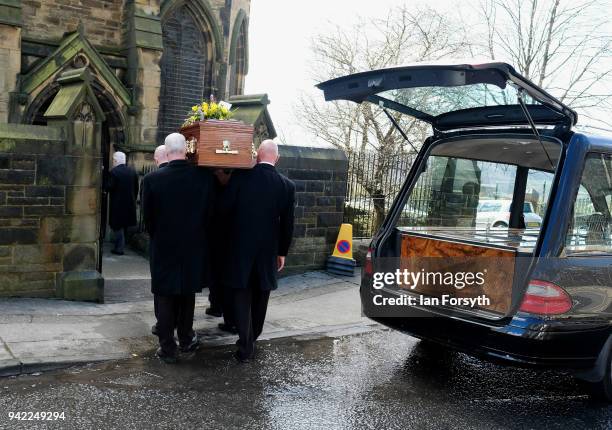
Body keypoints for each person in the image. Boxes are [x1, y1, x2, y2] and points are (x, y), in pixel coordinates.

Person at [142, 133, 215, 363]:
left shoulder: (152, 180)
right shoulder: (204, 177)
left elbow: (148, 220)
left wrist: (160, 237)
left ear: (166, 150)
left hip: (164, 246)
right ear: (186, 150)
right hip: (193, 247)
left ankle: (167, 349)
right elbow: (210, 215)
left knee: (164, 296)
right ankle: (185, 338)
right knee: (187, 295)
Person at [223, 139, 295, 362]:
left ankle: (245, 344)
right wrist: (282, 252)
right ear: (277, 158)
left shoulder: (240, 177)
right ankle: (253, 337)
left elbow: (225, 210)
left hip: (240, 247)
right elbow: (287, 224)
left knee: (242, 293)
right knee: (262, 293)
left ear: (257, 155)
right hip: (268, 250)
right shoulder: (286, 185)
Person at [149, 144, 169, 337]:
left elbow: (148, 218)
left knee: (161, 288)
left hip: (161, 243)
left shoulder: (151, 179)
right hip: (187, 245)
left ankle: (162, 324)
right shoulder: (194, 177)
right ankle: (184, 331)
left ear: (156, 159)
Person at [107, 151, 139, 255]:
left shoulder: (114, 172)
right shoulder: (133, 172)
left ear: (116, 160)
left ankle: (119, 248)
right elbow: (136, 188)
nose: (113, 162)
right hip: (130, 203)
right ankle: (120, 245)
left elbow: (109, 187)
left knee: (117, 226)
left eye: (113, 160)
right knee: (124, 225)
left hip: (117, 203)